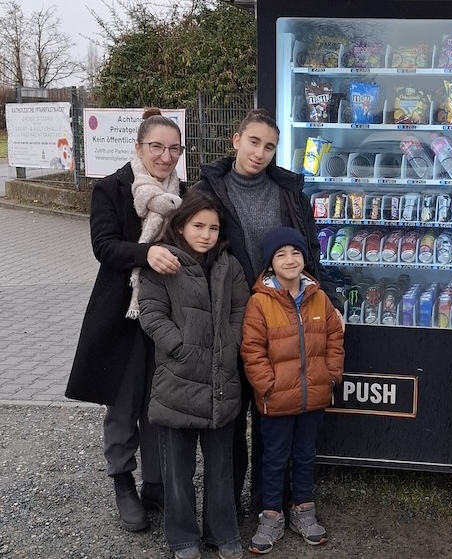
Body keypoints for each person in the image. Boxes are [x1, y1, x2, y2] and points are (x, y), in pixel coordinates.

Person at [193, 109, 341, 514]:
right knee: (228, 417)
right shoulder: (208, 190)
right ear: (236, 139)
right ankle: (225, 512)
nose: (260, 152)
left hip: (279, 314)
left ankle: (267, 505)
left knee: (271, 416)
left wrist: (328, 297)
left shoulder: (287, 191)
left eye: (270, 146)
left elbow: (307, 250)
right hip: (228, 315)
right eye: (254, 141)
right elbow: (192, 248)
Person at [65, 108, 185, 532]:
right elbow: (104, 246)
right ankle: (122, 483)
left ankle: (155, 484)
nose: (166, 156)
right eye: (157, 147)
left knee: (159, 402)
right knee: (123, 402)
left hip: (168, 314)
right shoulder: (112, 188)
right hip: (122, 312)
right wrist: (145, 253)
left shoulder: (184, 194)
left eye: (174, 148)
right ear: (138, 147)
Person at [138, 190, 250, 559]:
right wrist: (179, 346)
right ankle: (183, 537)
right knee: (177, 468)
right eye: (198, 226)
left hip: (220, 378)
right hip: (178, 379)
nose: (206, 234)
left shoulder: (228, 265)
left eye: (213, 228)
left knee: (220, 465)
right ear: (181, 225)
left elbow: (240, 309)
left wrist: (230, 347)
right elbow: (151, 311)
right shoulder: (165, 263)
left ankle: (222, 532)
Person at [240, 226, 344, 553]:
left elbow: (334, 338)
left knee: (304, 456)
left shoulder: (319, 297)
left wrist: (331, 375)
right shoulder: (260, 302)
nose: (290, 259)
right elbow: (252, 349)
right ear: (270, 263)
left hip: (313, 396)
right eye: (281, 254)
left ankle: (304, 509)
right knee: (273, 459)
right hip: (276, 400)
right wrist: (266, 386)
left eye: (296, 253)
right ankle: (271, 516)